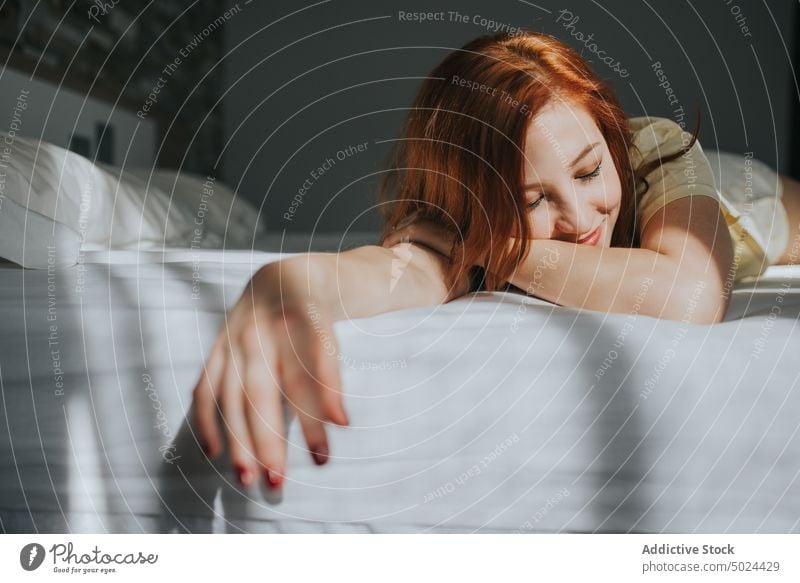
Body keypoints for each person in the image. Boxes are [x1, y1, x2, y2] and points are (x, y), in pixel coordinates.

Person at [192, 31, 800, 491]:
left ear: (608, 141)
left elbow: (688, 296)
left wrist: (496, 244)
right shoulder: (464, 224)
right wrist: (291, 279)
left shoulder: (651, 153)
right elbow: (396, 269)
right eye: (534, 200)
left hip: (737, 205)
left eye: (589, 171)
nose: (583, 219)